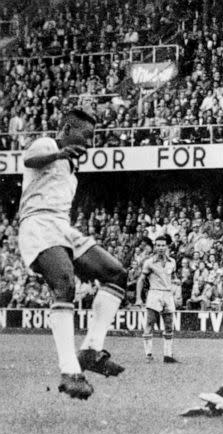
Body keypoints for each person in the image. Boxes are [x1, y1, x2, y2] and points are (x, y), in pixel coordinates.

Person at [17, 108, 127, 400]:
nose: (89, 144)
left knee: (116, 274)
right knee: (65, 283)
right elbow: (28, 160)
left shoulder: (70, 167)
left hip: (62, 227)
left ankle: (91, 350)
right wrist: (58, 154)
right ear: (67, 129)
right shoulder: (48, 145)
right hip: (38, 224)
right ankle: (70, 371)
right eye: (85, 136)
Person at [136, 234, 180, 363]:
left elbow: (173, 277)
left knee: (169, 325)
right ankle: (148, 355)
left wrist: (176, 284)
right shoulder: (149, 262)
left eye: (163, 245)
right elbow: (141, 280)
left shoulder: (172, 262)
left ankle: (167, 356)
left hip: (168, 294)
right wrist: (138, 298)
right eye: (158, 245)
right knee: (150, 323)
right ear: (155, 247)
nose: (160, 248)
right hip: (154, 293)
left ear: (167, 246)